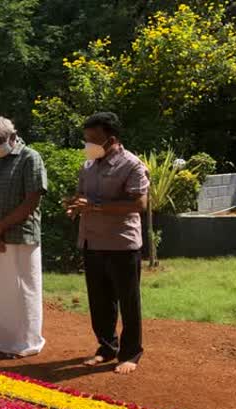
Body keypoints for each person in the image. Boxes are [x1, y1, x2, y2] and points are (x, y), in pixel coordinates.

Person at [65, 112, 150, 375]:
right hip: (91, 241)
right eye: (86, 139)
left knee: (128, 300)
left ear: (111, 139)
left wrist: (96, 206)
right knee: (99, 301)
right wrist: (75, 206)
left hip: (122, 244)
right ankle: (106, 348)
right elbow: (82, 195)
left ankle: (131, 352)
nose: (87, 144)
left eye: (93, 139)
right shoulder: (89, 165)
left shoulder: (132, 165)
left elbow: (139, 204)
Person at [0, 116, 48, 358]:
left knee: (24, 289)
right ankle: (2, 339)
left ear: (12, 137)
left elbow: (32, 199)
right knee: (0, 290)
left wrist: (0, 227)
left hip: (21, 235)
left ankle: (25, 342)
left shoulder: (30, 158)